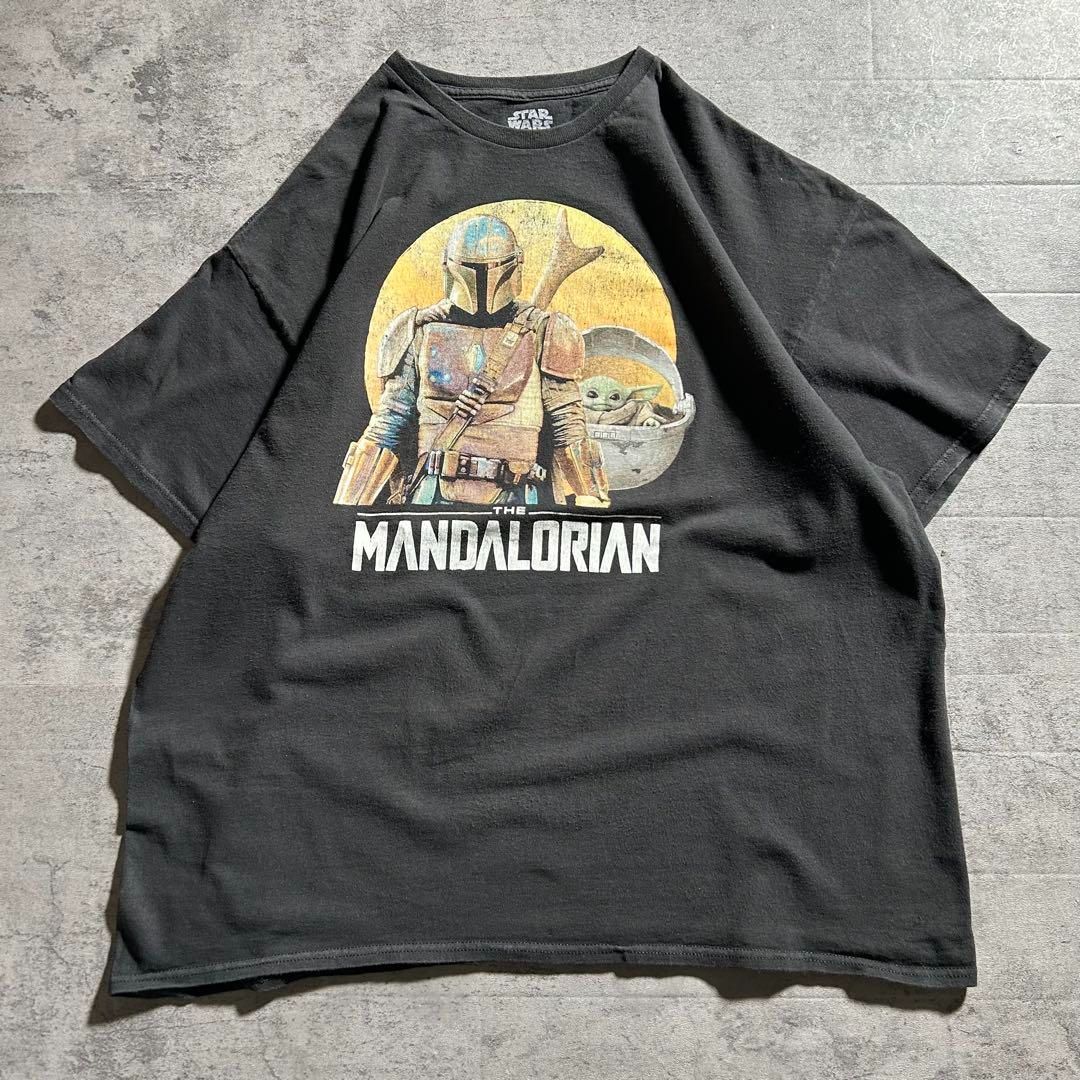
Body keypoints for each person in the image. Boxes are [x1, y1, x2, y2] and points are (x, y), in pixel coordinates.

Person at [333, 213, 610, 507]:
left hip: (517, 499)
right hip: (432, 496)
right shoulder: (418, 330)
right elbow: (387, 426)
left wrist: (591, 497)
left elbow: (568, 427)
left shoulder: (545, 331)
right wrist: (348, 506)